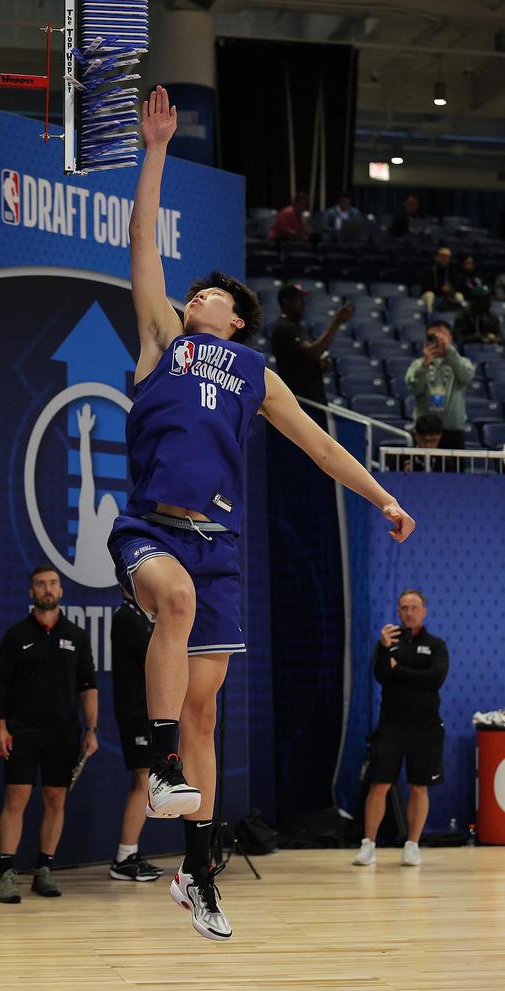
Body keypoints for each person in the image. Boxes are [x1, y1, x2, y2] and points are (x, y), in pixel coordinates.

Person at [107, 85, 415, 942]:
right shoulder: (164, 338)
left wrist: (384, 495)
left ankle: (197, 875)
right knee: (173, 601)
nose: (195, 295)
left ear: (236, 318)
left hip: (221, 547)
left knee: (208, 712)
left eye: (209, 294)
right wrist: (156, 151)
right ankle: (160, 767)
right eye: (193, 292)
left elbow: (320, 449)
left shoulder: (254, 373)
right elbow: (142, 240)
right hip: (154, 530)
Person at [0, 565, 98, 904]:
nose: (47, 589)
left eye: (53, 583)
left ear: (61, 590)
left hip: (64, 731)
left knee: (56, 800)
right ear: (31, 592)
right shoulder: (16, 636)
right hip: (22, 730)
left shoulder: (77, 636)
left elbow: (88, 685)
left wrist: (92, 730)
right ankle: (6, 873)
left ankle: (44, 870)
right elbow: (1, 685)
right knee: (16, 799)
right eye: (40, 584)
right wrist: (1, 726)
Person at [353, 590, 449, 868]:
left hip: (426, 727)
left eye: (414, 607)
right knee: (379, 784)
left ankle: (412, 846)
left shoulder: (436, 645)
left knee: (419, 787)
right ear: (398, 612)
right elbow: (382, 676)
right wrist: (385, 651)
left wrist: (400, 671)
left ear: (424, 611)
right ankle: (368, 845)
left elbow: (434, 679)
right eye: (404, 608)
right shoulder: (388, 643)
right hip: (391, 725)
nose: (409, 612)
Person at [109, 589, 164, 882]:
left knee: (145, 780)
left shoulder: (143, 617)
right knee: (143, 779)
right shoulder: (126, 617)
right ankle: (124, 857)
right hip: (135, 712)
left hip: (147, 710)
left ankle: (129, 853)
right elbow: (153, 657)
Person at [271, 285, 354, 405]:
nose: (303, 304)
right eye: (298, 300)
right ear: (286, 302)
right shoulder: (285, 327)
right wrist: (337, 321)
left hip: (311, 398)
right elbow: (313, 352)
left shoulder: (296, 326)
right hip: (301, 401)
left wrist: (321, 363)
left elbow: (305, 359)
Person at [405, 321, 475, 449]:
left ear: (450, 338)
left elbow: (466, 377)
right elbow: (414, 389)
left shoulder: (462, 362)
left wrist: (450, 352)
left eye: (441, 336)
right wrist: (424, 366)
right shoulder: (418, 364)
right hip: (424, 431)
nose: (437, 341)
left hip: (453, 429)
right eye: (432, 337)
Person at [419, 247, 464, 314]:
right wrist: (441, 288)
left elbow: (457, 285)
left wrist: (450, 289)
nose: (445, 258)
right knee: (429, 295)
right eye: (442, 255)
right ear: (437, 257)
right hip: (430, 294)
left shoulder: (452, 271)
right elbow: (425, 286)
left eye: (447, 256)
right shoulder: (428, 269)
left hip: (447, 297)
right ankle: (429, 315)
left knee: (459, 295)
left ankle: (459, 315)